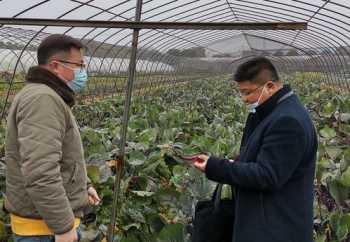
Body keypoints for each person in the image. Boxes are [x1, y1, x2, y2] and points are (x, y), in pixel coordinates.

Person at [192, 57, 318, 242]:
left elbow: (267, 175)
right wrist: (237, 161)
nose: (244, 99)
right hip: (268, 221)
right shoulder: (276, 112)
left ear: (270, 86)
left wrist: (216, 167)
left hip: (276, 228)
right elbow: (266, 160)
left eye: (248, 92)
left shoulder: (288, 122)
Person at [5, 34, 101, 242]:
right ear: (56, 65)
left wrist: (83, 187)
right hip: (42, 229)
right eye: (79, 65)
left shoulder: (48, 96)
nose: (83, 72)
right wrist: (63, 227)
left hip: (47, 224)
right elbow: (40, 171)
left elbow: (61, 156)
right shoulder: (42, 99)